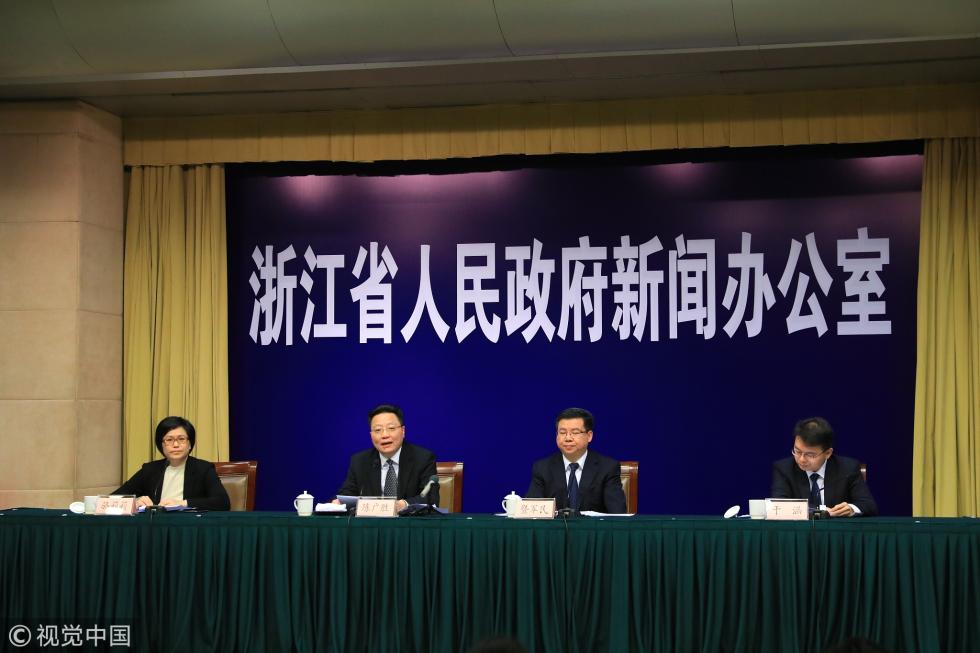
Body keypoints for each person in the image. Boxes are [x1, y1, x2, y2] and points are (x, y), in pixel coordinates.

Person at [334, 404, 439, 511]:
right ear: (371, 435)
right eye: (378, 430)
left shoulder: (423, 459)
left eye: (391, 428)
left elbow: (431, 497)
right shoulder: (359, 461)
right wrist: (339, 502)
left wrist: (404, 504)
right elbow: (347, 493)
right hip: (372, 520)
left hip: (409, 520)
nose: (384, 435)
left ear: (403, 431)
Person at [114, 416, 230, 510]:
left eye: (181, 439)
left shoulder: (203, 469)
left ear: (190, 444)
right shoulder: (150, 470)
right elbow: (112, 498)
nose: (175, 445)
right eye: (169, 440)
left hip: (188, 526)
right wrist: (135, 502)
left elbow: (222, 502)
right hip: (156, 526)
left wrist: (182, 503)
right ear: (162, 445)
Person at [525, 407, 628, 513]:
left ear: (589, 436)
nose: (568, 438)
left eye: (575, 432)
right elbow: (531, 512)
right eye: (562, 432)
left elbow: (617, 514)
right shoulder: (542, 468)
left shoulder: (607, 468)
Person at [770, 416, 877, 517]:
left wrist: (851, 508)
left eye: (810, 455)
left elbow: (868, 505)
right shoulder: (784, 469)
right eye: (797, 451)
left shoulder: (848, 468)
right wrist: (819, 511)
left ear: (828, 453)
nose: (801, 459)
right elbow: (778, 505)